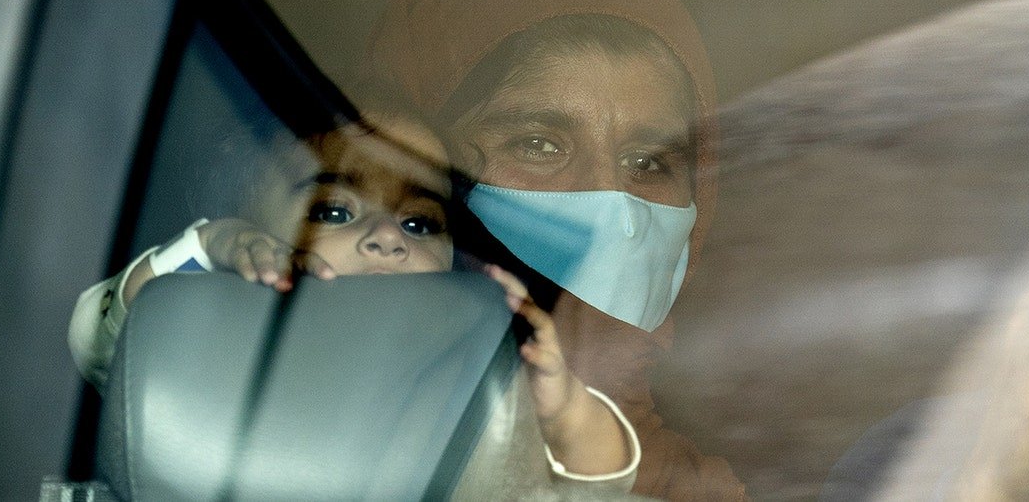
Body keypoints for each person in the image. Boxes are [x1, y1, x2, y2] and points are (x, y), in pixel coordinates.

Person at [358, 0, 747, 500]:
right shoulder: (309, 420)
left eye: (648, 162)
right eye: (538, 145)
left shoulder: (698, 489)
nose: (608, 203)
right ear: (421, 162)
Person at [69, 111, 644, 495]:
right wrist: (209, 245)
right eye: (335, 212)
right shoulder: (218, 350)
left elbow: (593, 487)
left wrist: (563, 412)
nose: (387, 237)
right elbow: (104, 336)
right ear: (256, 235)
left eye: (420, 223)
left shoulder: (464, 385)